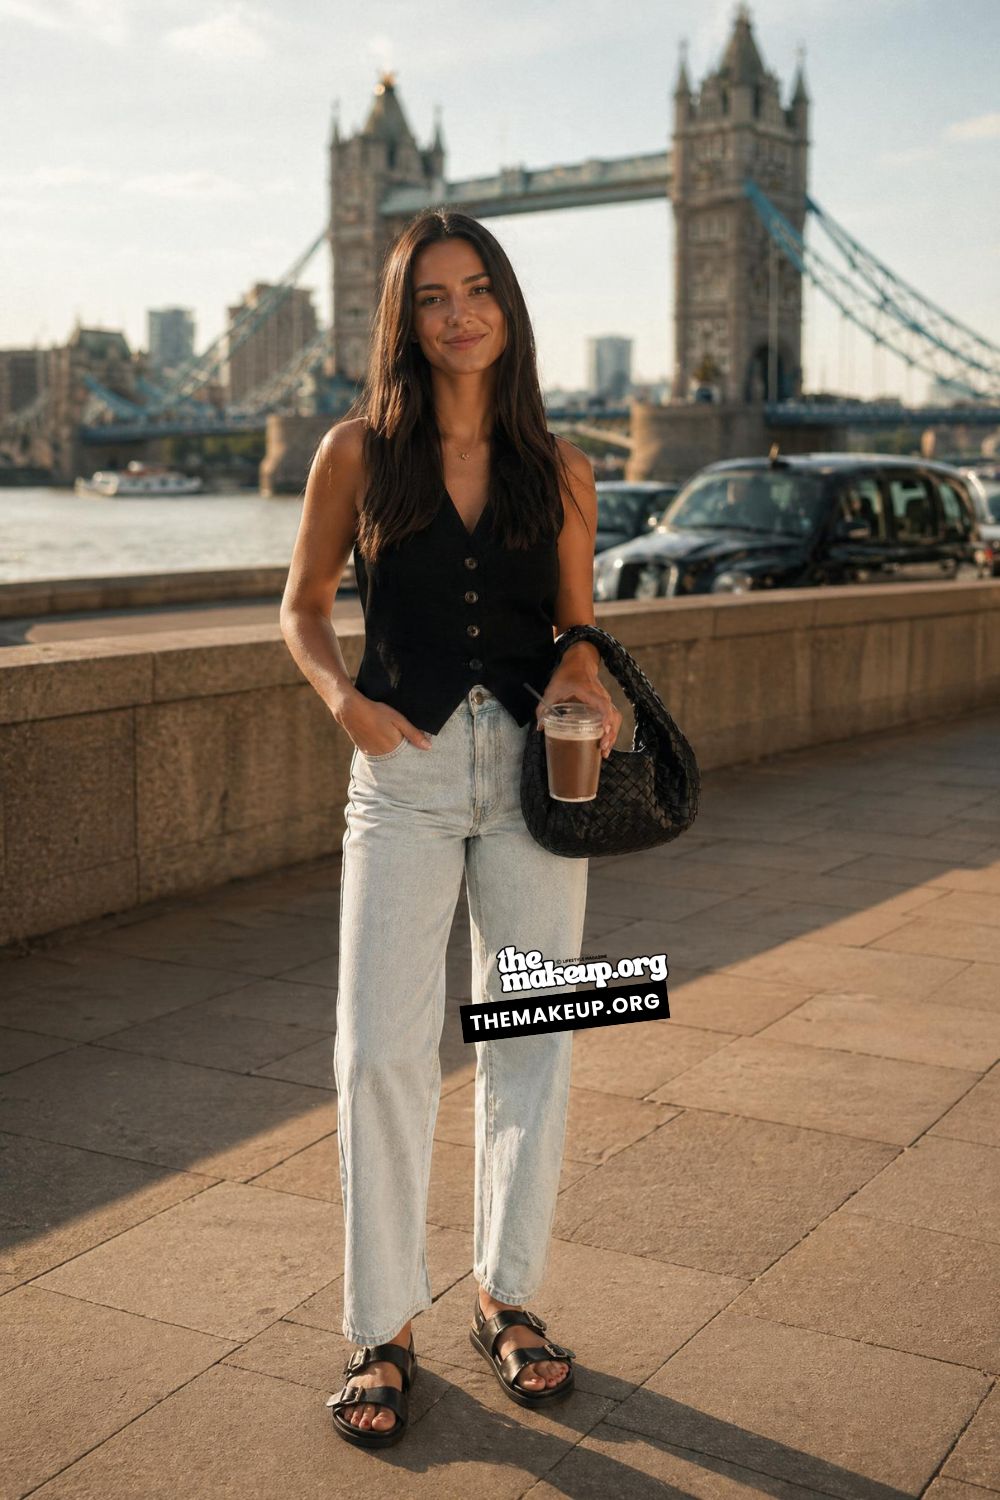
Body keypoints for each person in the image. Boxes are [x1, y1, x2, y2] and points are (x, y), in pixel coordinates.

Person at [280, 208, 621, 1450]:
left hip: (533, 779)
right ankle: (382, 1325)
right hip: (405, 774)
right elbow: (301, 607)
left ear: (507, 308)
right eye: (432, 296)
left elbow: (577, 626)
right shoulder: (355, 454)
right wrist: (347, 705)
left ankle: (505, 1295)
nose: (458, 313)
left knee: (533, 1036)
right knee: (378, 1048)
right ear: (404, 319)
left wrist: (585, 679)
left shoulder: (562, 467)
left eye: (477, 289)